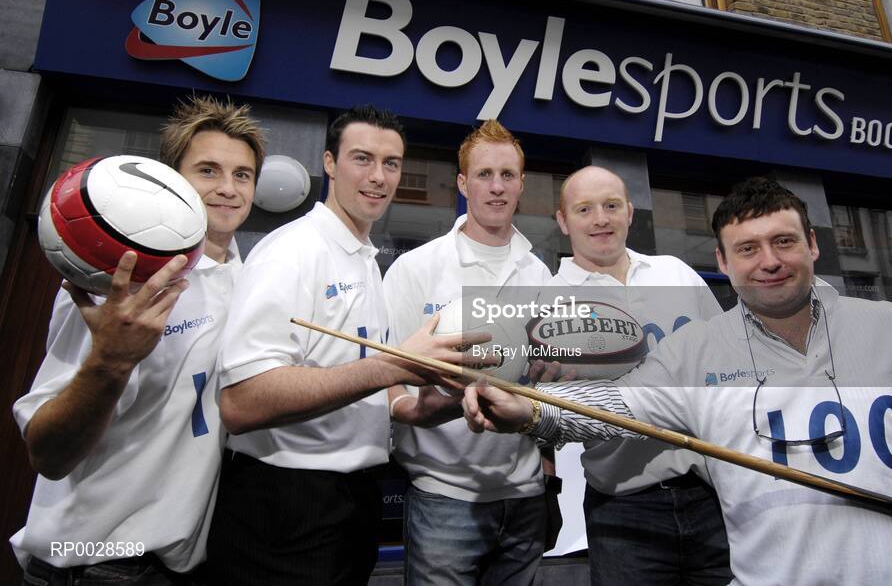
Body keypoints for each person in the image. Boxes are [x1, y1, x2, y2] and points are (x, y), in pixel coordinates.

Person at [464, 177, 892, 584]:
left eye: (784, 242)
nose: (769, 262)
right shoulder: (696, 353)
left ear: (812, 245)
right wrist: (532, 411)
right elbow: (615, 404)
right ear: (724, 263)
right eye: (748, 249)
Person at [204, 105, 477, 585]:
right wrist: (392, 367)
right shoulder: (292, 250)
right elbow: (241, 402)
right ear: (329, 163)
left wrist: (429, 406)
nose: (379, 177)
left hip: (353, 500)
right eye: (362, 159)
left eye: (391, 163)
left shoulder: (365, 258)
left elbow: (366, 387)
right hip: (286, 503)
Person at [12, 95, 266, 585]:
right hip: (94, 563)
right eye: (208, 171)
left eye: (242, 175)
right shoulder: (117, 282)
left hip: (181, 565)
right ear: (173, 181)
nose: (228, 189)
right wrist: (109, 362)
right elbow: (47, 453)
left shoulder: (245, 277)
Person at [382, 119, 553, 585]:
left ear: (522, 184)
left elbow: (546, 389)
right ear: (462, 183)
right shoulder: (415, 268)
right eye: (483, 175)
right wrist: (422, 408)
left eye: (507, 175)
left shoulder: (540, 275)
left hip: (524, 498)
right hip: (442, 496)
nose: (496, 188)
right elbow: (389, 381)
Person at [549, 165, 731, 585]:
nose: (601, 219)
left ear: (630, 212)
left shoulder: (677, 273)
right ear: (562, 221)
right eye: (584, 209)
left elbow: (728, 362)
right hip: (623, 508)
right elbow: (551, 416)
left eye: (612, 205)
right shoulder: (549, 300)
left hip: (713, 495)